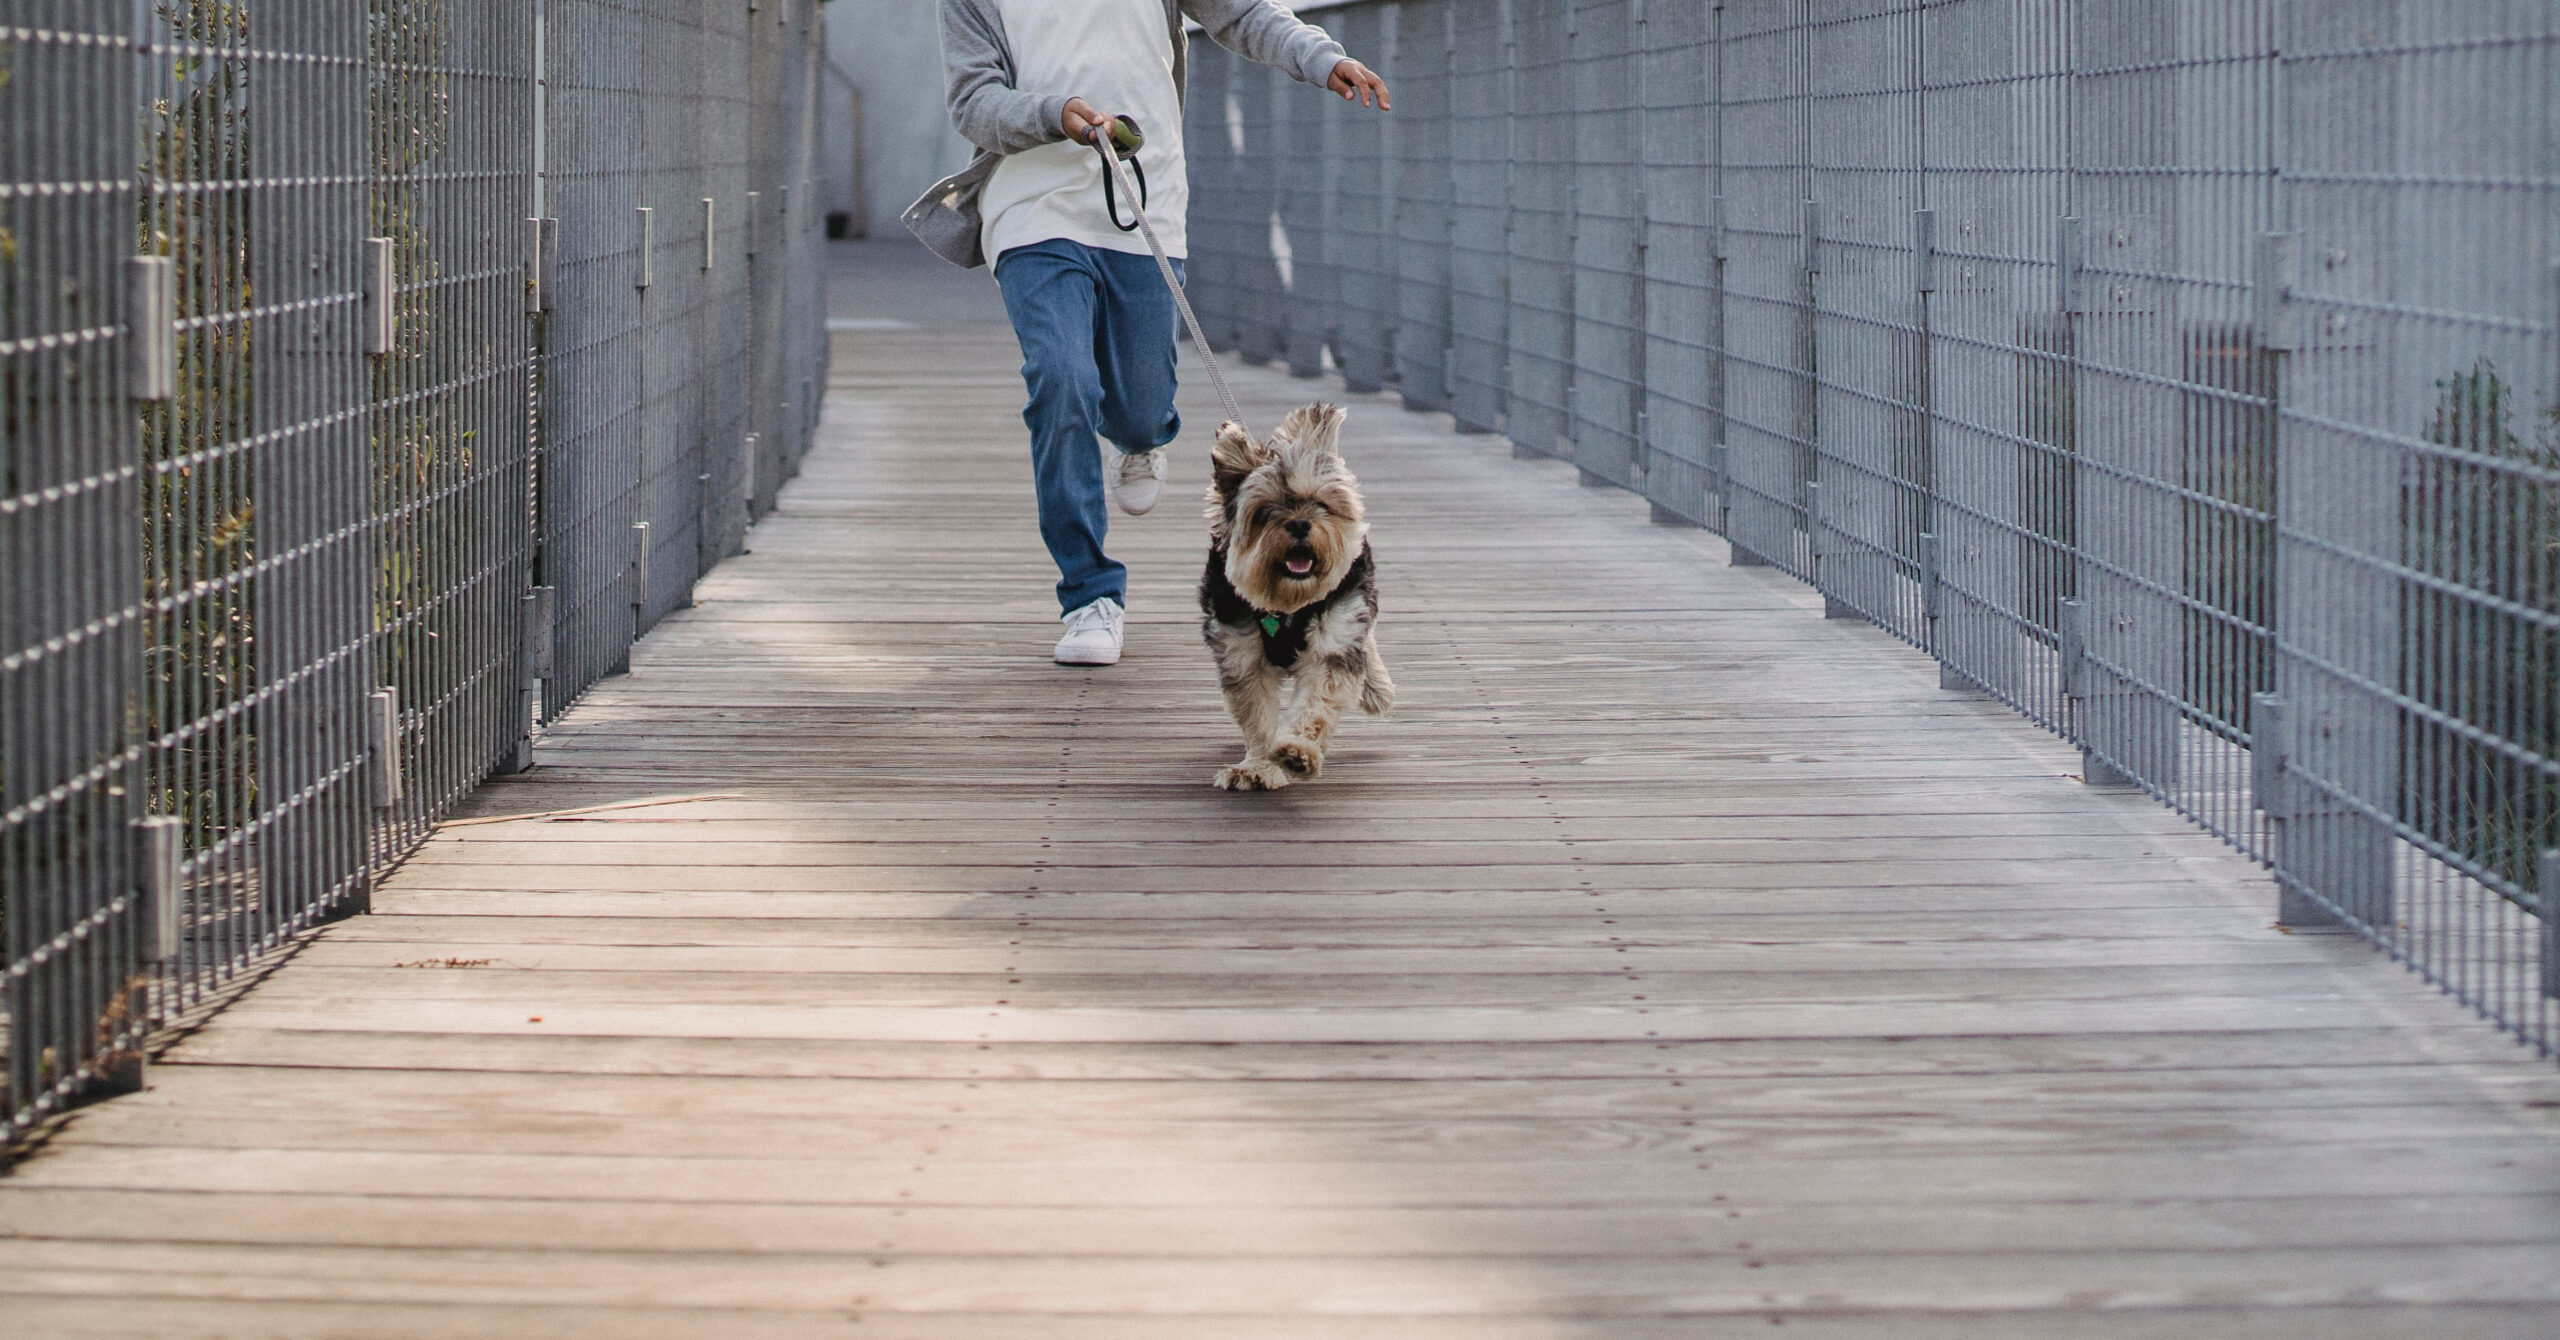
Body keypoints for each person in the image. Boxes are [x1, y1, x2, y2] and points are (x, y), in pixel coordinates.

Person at [905, 0, 1390, 666]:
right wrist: (1054, 114)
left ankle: (1138, 440)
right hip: (1030, 208)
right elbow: (973, 101)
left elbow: (1242, 13)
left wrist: (1319, 57)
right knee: (1062, 380)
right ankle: (1089, 595)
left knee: (1139, 408)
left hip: (1143, 200)